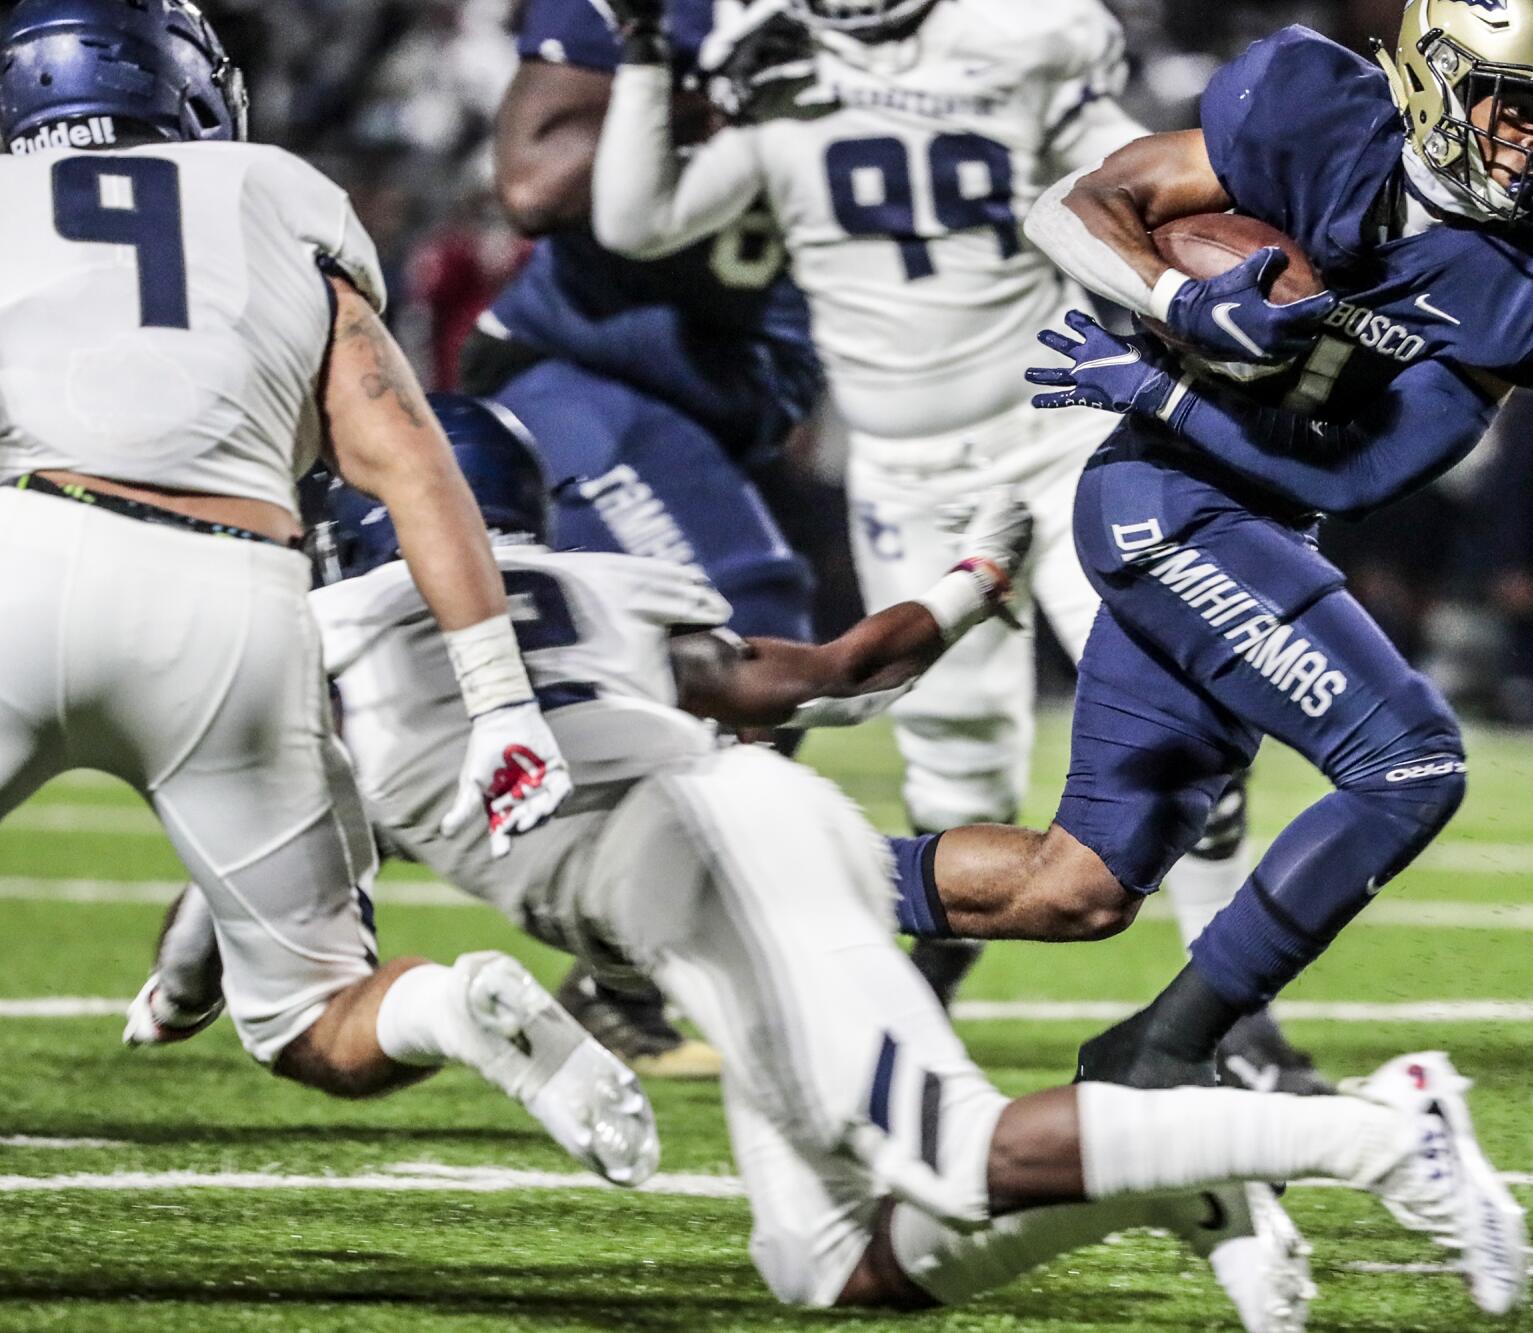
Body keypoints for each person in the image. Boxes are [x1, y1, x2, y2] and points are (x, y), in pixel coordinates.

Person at [138, 398, 1530, 1324]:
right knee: (828, 1265)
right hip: (750, 837)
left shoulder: (305, 648)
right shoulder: (595, 590)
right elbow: (839, 674)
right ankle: (1187, 1175)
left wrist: (178, 989)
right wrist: (980, 577)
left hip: (705, 874)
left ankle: (1383, 1128)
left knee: (957, 1152)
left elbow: (235, 872)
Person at [874, 1, 1533, 1089]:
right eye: (1515, 106)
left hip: (1254, 507)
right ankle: (1166, 1053)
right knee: (1409, 763)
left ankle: (756, 876)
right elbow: (1073, 204)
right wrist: (1180, 301)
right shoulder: (1313, 118)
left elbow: (1361, 472)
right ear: (1429, 84)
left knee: (1073, 888)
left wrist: (1167, 389)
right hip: (1163, 505)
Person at [588, 0, 1328, 1094]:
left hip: (1055, 432)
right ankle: (910, 1009)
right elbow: (636, 220)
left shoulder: (1017, 35)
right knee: (955, 774)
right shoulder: (775, 59)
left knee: (1187, 710)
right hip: (905, 472)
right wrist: (647, 58)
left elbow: (1137, 182)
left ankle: (1232, 1021)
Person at [0, 0, 655, 1187]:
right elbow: (405, 449)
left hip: (29, 545)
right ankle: (454, 1008)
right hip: (234, 598)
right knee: (317, 1023)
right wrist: (501, 704)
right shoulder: (277, 189)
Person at [457, 0, 826, 1076]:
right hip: (580, 377)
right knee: (751, 622)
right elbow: (529, 187)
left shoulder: (908, 39)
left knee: (558, 674)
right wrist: (684, 82)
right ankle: (623, 972)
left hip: (705, 407)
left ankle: (618, 975)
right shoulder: (656, 14)